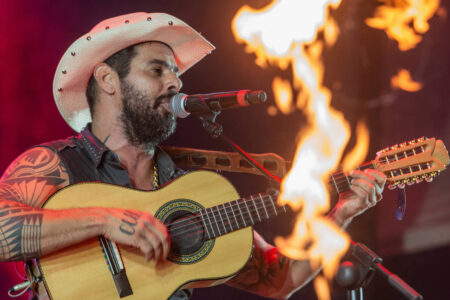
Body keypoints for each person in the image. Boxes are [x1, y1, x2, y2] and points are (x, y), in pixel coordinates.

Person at [0, 12, 386, 300]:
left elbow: (277, 279)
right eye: (156, 70)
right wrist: (105, 220)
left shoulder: (191, 189)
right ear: (107, 79)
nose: (175, 82)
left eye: (175, 74)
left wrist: (342, 213)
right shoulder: (55, 165)